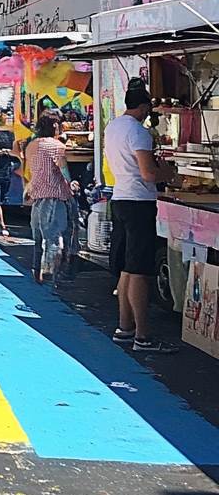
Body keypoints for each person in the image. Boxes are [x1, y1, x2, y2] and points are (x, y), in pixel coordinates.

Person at [104, 80, 180, 353]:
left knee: (127, 267)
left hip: (121, 198)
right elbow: (148, 173)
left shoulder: (113, 127)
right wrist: (169, 173)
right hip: (139, 202)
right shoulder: (138, 132)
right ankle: (143, 336)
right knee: (139, 271)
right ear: (144, 106)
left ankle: (125, 328)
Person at [24, 109, 79, 285]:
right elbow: (62, 168)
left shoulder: (31, 145)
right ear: (55, 125)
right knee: (54, 238)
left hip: (37, 195)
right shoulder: (56, 146)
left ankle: (37, 271)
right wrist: (70, 183)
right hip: (55, 196)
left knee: (38, 238)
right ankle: (51, 276)